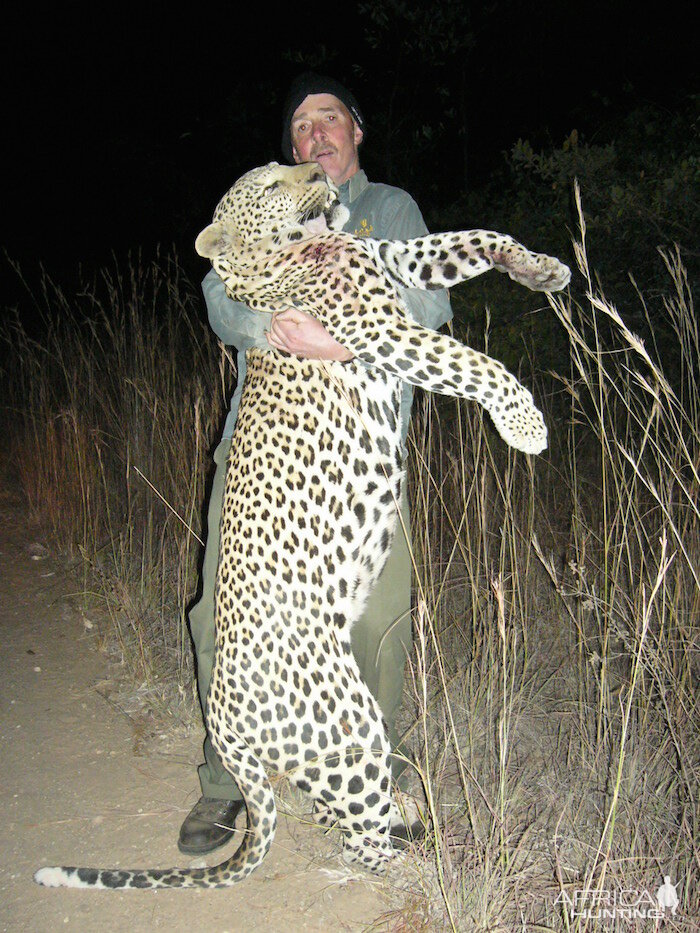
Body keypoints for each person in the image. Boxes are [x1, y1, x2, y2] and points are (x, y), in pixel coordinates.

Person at [179, 73, 452, 855]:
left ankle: (372, 781)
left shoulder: (391, 210)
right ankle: (227, 782)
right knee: (219, 619)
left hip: (355, 461)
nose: (314, 135)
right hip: (263, 457)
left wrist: (342, 336)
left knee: (374, 620)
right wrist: (274, 327)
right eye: (300, 127)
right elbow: (219, 296)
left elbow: (431, 305)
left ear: (357, 130)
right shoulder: (268, 204)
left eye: (328, 118)